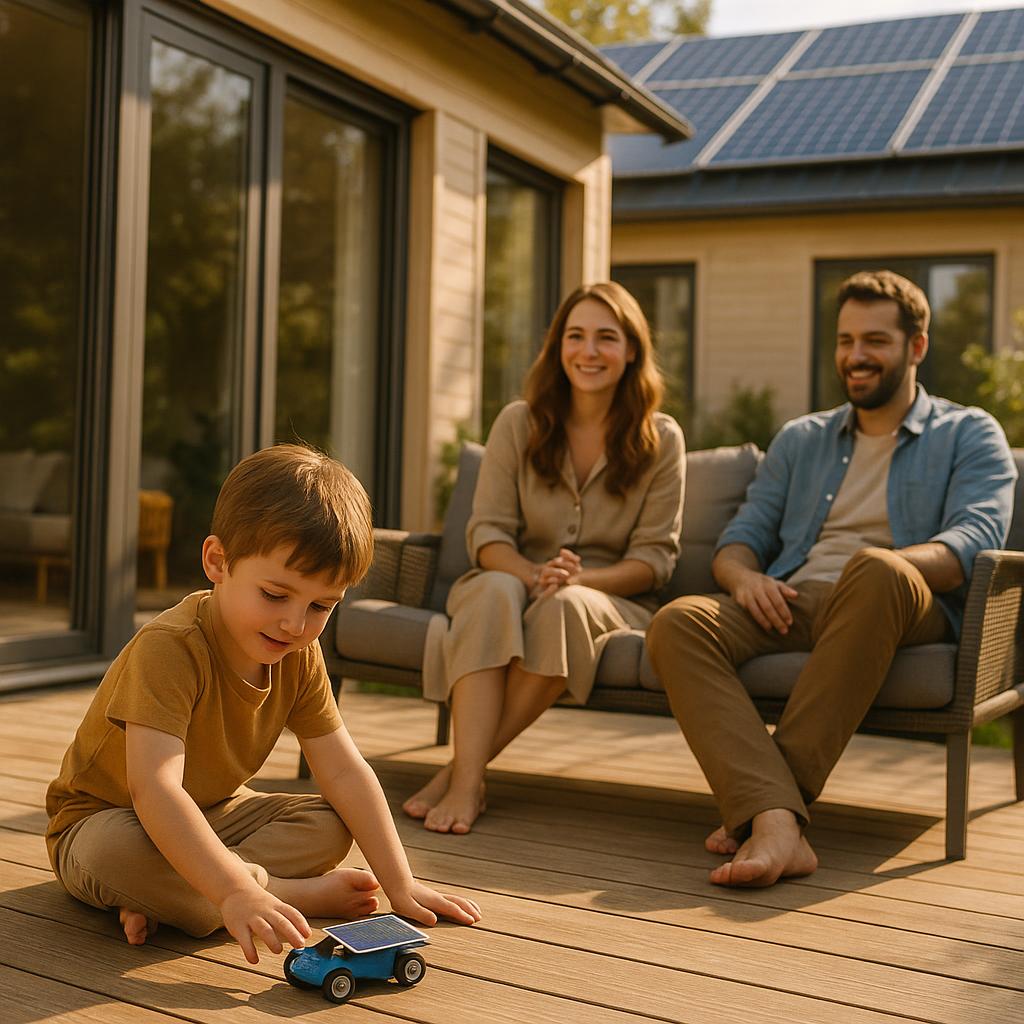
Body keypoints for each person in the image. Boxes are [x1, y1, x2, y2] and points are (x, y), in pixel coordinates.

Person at [646, 270, 1016, 889]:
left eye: (875, 340)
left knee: (873, 567)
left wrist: (887, 565)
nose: (856, 356)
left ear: (916, 347)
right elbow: (742, 537)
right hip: (795, 598)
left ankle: (767, 812)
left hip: (899, 601)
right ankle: (776, 818)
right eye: (845, 340)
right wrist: (743, 580)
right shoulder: (801, 438)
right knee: (678, 620)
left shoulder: (969, 433)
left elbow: (974, 541)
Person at [46, 445, 481, 963]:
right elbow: (154, 789)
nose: (294, 624)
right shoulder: (171, 646)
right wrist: (235, 890)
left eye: (321, 606)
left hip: (216, 814)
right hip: (107, 819)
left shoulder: (298, 652)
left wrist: (401, 884)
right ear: (218, 562)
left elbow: (343, 770)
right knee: (111, 855)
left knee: (332, 821)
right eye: (275, 595)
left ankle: (183, 897)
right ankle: (271, 893)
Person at [403, 281, 686, 835]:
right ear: (558, 346)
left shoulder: (662, 439)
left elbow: (656, 560)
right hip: (513, 578)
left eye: (607, 338)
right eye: (575, 336)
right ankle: (467, 779)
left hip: (611, 599)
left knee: (567, 605)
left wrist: (582, 579)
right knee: (491, 589)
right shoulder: (519, 421)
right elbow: (485, 535)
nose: (589, 351)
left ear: (632, 350)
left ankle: (462, 778)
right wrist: (534, 574)